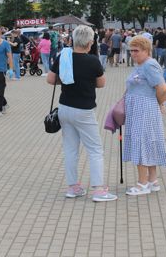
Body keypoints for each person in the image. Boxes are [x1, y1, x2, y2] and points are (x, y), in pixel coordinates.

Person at [47, 25, 115, 201]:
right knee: (95, 149)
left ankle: (73, 187)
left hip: (64, 107)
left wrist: (68, 79)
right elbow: (101, 84)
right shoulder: (93, 61)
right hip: (84, 110)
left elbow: (51, 79)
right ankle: (99, 190)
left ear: (73, 40)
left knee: (70, 149)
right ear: (90, 42)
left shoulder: (63, 56)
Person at [122, 36, 166, 195]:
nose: (133, 54)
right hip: (139, 109)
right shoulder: (141, 65)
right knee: (147, 142)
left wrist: (159, 103)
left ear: (147, 50)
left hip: (144, 109)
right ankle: (152, 180)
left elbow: (162, 88)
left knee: (141, 142)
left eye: (136, 50)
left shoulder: (149, 65)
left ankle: (142, 184)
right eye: (131, 51)